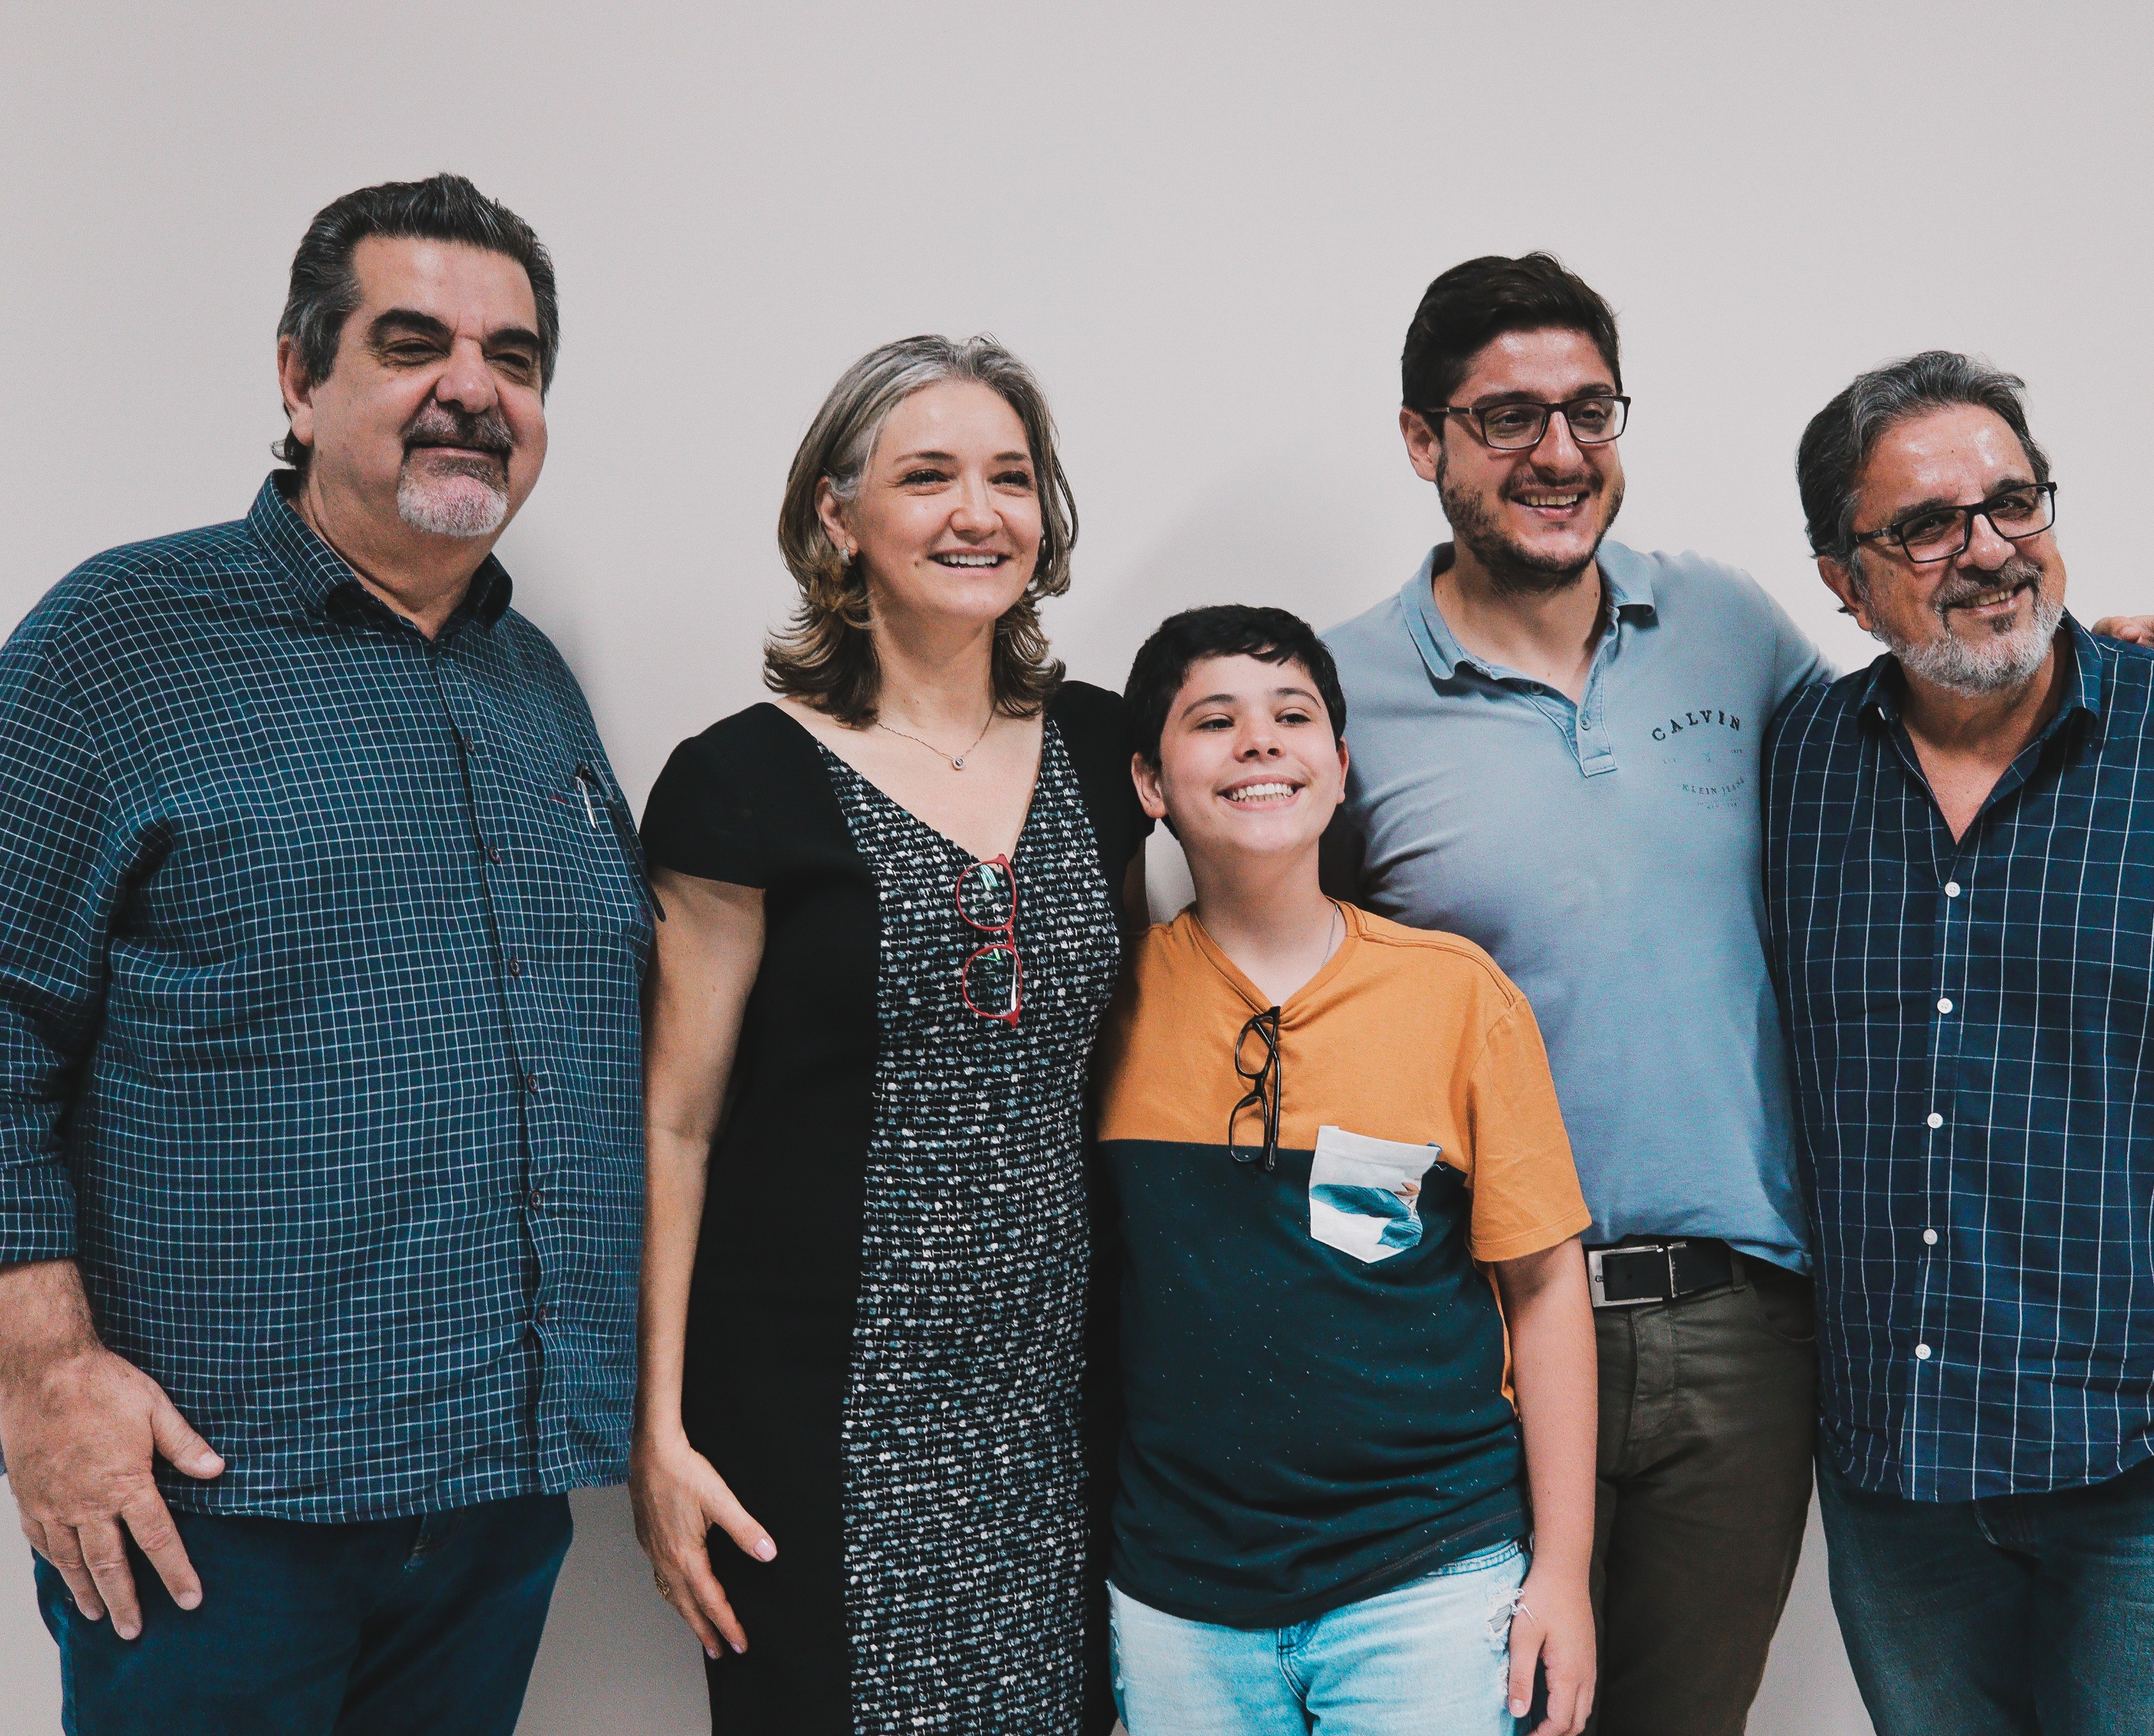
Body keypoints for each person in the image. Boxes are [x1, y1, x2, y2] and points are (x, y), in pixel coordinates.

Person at [1316, 252, 2154, 1733]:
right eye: (1506, 418)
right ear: (1423, 441)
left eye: (1588, 409)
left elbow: (1925, 703)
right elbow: (1305, 1016)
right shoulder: (1338, 694)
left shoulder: (1727, 629)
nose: (1557, 451)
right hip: (1477, 1321)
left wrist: (2097, 659)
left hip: (1738, 1333)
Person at [0, 176, 647, 1735]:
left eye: (513, 360)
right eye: (413, 344)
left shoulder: (534, 685)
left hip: (493, 1501)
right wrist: (45, 1374)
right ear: (299, 379)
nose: (472, 391)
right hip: (216, 1515)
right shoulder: (120, 642)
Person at [1765, 350, 2154, 1736]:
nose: (1988, 549)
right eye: (1926, 525)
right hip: (1893, 1465)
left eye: (2012, 501)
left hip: (2152, 1463)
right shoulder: (1795, 763)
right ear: (1843, 581)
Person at [629, 334, 1147, 1735]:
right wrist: (656, 1431)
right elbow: (674, 1122)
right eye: (928, 477)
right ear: (836, 516)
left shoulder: (1108, 751)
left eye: (1010, 478)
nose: (978, 513)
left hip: (1058, 1394)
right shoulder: (738, 782)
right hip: (815, 1406)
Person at [1094, 605, 1599, 1735]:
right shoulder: (1109, 1003)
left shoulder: (1455, 994)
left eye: (1292, 716)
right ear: (1149, 783)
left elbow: (1544, 1287)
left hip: (1428, 1575)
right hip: (1179, 1595)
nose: (1258, 741)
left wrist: (1562, 1573)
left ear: (1339, 765)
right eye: (1212, 721)